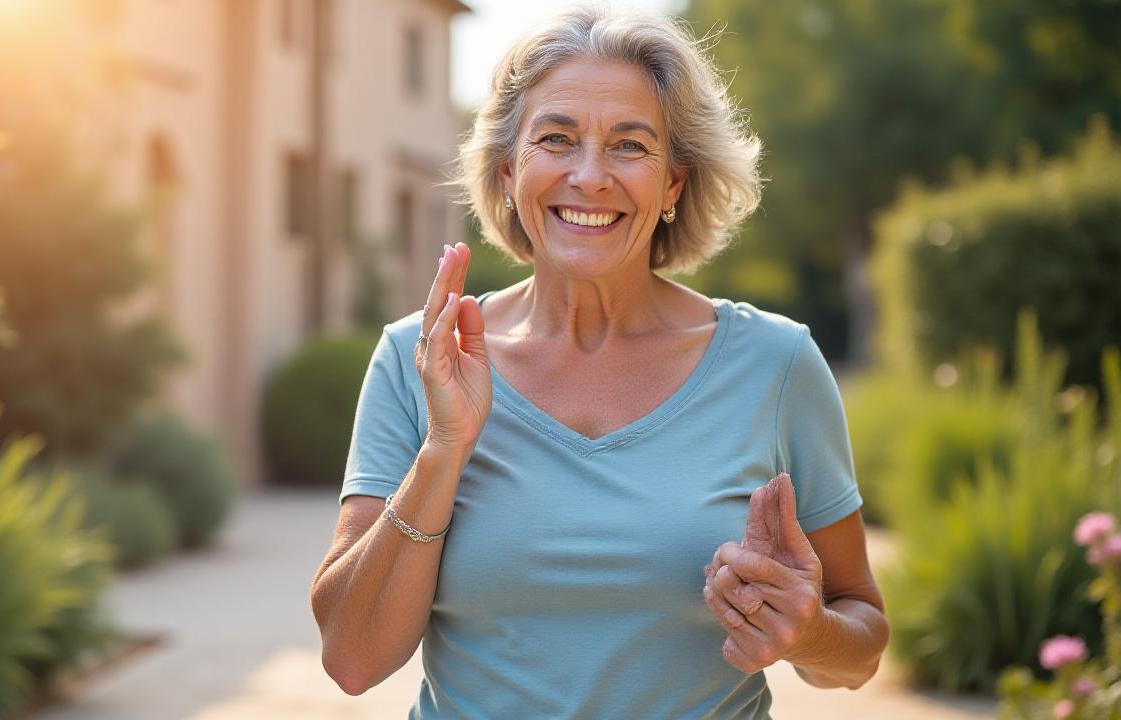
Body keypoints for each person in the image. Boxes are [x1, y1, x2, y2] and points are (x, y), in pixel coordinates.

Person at [310, 6, 889, 718]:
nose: (589, 176)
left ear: (674, 184)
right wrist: (443, 450)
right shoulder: (419, 358)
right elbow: (352, 658)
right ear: (509, 170)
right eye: (556, 139)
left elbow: (860, 645)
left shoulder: (777, 364)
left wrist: (809, 632)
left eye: (630, 146)